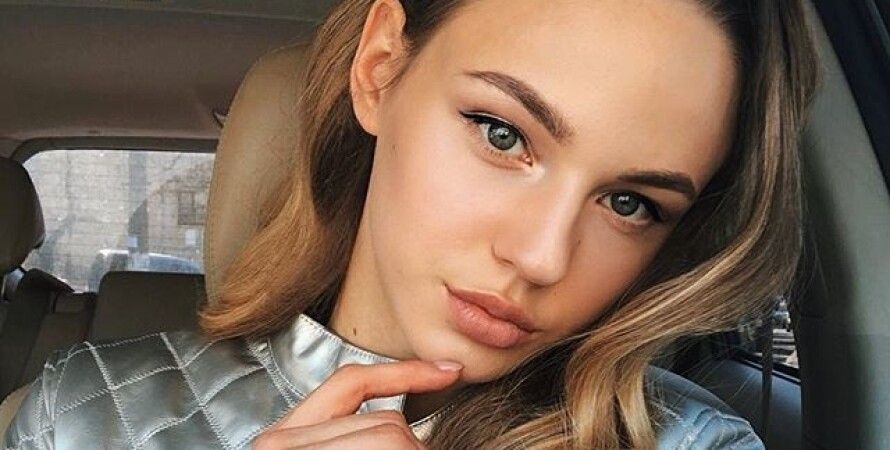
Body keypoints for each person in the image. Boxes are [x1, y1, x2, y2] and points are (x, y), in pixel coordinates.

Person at [3, 0, 819, 448]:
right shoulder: (77, 413)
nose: (541, 257)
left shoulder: (691, 444)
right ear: (380, 69)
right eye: (502, 134)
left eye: (630, 203)